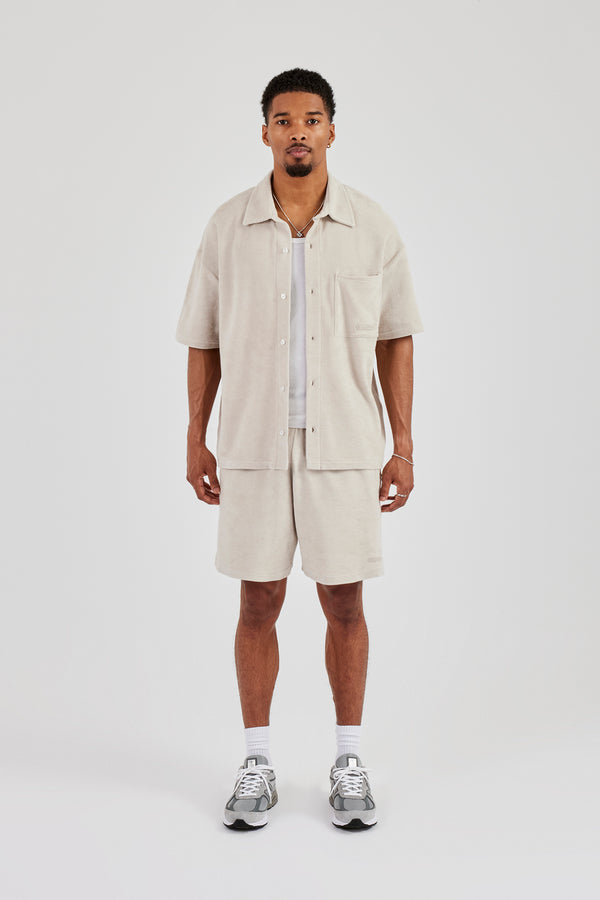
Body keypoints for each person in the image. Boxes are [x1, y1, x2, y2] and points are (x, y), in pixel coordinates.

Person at [175, 67, 424, 831]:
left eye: (311, 119)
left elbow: (396, 337)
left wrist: (403, 443)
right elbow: (203, 338)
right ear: (265, 133)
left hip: (345, 443)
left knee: (344, 601)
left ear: (331, 131)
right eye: (283, 120)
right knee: (258, 600)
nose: (298, 132)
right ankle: (257, 761)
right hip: (251, 443)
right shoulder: (228, 226)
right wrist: (195, 435)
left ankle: (349, 760)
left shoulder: (371, 226)